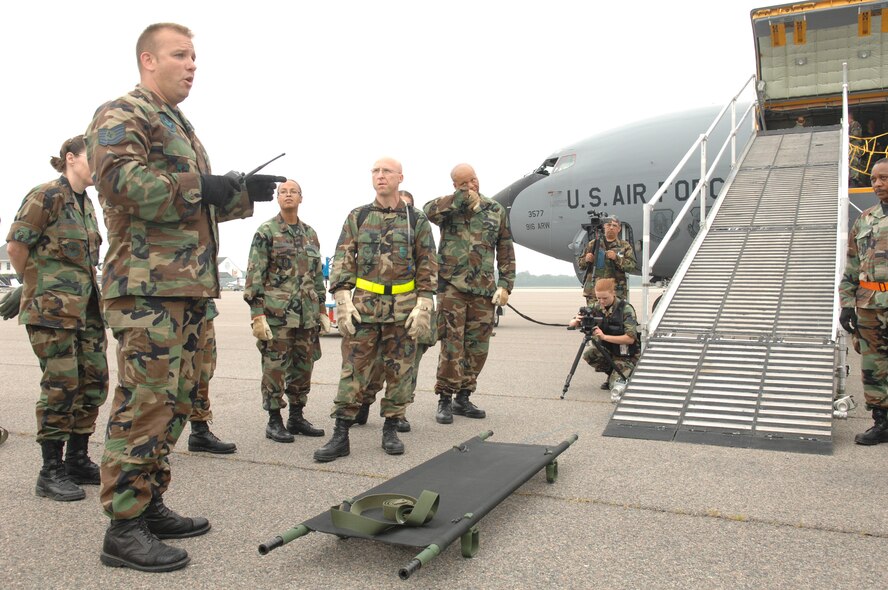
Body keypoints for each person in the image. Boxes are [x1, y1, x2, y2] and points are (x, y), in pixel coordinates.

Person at [84, 23, 281, 572]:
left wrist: (239, 194)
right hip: (148, 290)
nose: (192, 65)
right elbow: (122, 183)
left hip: (186, 288)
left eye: (194, 56)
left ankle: (148, 504)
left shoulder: (178, 124)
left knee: (174, 403)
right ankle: (123, 528)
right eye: (180, 54)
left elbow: (191, 205)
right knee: (144, 403)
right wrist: (206, 185)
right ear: (148, 60)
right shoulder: (124, 112)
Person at [5, 135, 108, 502]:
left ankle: (77, 460)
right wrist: (33, 285)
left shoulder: (87, 204)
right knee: (61, 387)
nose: (99, 165)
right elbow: (16, 246)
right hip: (52, 312)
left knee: (94, 383)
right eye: (93, 157)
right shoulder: (46, 195)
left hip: (87, 311)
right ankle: (50, 471)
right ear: (70, 158)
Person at [314, 158, 436, 462]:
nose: (380, 176)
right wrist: (342, 296)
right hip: (364, 307)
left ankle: (391, 428)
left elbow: (427, 261)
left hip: (403, 308)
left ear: (400, 178)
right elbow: (344, 256)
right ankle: (341, 433)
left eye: (386, 171)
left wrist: (425, 301)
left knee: (400, 371)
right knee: (353, 369)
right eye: (375, 171)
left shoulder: (416, 219)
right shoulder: (358, 216)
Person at [423, 163, 515, 424]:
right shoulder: (448, 208)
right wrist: (460, 199)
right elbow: (427, 210)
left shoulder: (495, 210)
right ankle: (445, 397)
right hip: (452, 287)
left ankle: (463, 396)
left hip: (483, 288)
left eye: (473, 180)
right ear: (455, 185)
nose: (471, 185)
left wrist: (506, 284)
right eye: (464, 183)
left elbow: (505, 248)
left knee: (478, 346)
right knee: (452, 344)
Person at [244, 179, 329, 444]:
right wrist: (257, 314)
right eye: (283, 192)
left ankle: (296, 416)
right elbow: (255, 275)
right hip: (277, 315)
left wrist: (322, 309)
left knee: (304, 367)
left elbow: (317, 276)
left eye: (293, 192)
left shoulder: (310, 234)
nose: (288, 195)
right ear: (278, 198)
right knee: (275, 368)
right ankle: (274, 420)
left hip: (307, 316)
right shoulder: (266, 232)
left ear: (301, 198)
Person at [352, 189, 435, 433]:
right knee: (376, 366)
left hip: (410, 308)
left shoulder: (417, 226)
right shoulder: (368, 221)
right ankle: (364, 402)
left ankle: (399, 413)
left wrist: (424, 305)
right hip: (376, 308)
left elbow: (427, 267)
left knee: (407, 367)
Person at [839, 157, 888, 445]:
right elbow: (852, 264)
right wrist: (847, 304)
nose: (877, 184)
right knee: (873, 366)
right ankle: (882, 422)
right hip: (869, 305)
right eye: (873, 179)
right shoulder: (865, 220)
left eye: (884, 178)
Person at [568, 278, 640, 393]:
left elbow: (630, 339)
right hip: (609, 350)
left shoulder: (626, 309)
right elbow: (572, 323)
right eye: (598, 298)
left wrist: (604, 337)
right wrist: (576, 320)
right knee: (590, 354)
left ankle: (627, 373)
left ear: (613, 293)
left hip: (626, 354)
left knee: (615, 387)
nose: (601, 301)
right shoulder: (595, 307)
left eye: (605, 298)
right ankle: (612, 373)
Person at [186, 300, 237, 454]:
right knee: (164, 373)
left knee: (203, 372)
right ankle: (154, 442)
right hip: (169, 305)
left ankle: (199, 431)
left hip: (201, 306)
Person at [577, 216, 637, 305]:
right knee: (594, 313)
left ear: (619, 229)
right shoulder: (593, 244)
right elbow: (580, 265)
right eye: (609, 225)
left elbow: (631, 266)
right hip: (594, 291)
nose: (611, 227)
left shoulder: (624, 246)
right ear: (604, 227)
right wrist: (586, 259)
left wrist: (616, 258)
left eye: (614, 225)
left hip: (614, 291)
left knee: (614, 313)